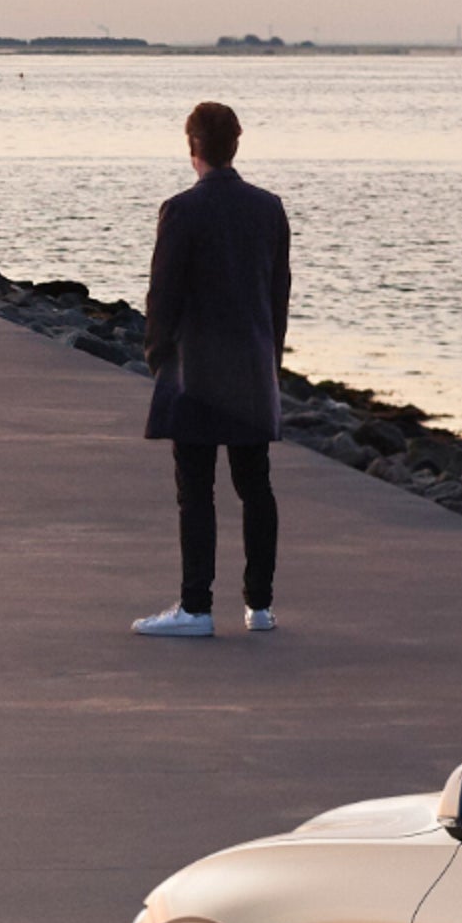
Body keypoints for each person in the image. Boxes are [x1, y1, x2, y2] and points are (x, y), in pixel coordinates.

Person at [132, 100, 292, 638]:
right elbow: (278, 295)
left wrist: (158, 357)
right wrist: (273, 359)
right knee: (255, 485)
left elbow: (164, 295)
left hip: (196, 369)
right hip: (251, 365)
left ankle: (196, 606)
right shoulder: (268, 208)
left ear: (192, 147)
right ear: (235, 145)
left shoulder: (181, 210)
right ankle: (261, 605)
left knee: (196, 490)